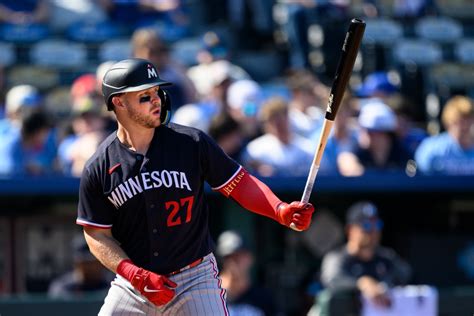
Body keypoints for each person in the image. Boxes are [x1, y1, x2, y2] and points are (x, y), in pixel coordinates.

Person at [76, 58, 315, 315]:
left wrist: (278, 209)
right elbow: (96, 234)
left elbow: (239, 183)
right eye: (144, 96)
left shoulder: (190, 143)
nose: (156, 100)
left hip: (193, 277)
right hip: (134, 283)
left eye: (157, 91)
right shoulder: (99, 166)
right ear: (119, 102)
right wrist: (133, 274)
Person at [319, 201, 412, 310]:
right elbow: (331, 280)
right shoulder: (337, 257)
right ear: (350, 230)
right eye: (366, 225)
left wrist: (383, 287)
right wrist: (361, 284)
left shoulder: (387, 258)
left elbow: (407, 277)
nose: (373, 231)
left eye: (377, 224)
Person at [215, 230, 280, 316]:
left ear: (250, 258)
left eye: (239, 255)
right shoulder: (210, 294)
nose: (235, 261)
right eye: (229, 257)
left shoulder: (263, 297)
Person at [415, 95, 474, 175]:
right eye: (459, 121)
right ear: (447, 123)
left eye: (468, 119)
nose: (464, 126)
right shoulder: (431, 149)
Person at [48, 235, 113, 299]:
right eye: (84, 263)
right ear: (76, 263)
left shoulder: (112, 284)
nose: (88, 267)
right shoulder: (62, 287)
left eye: (92, 262)